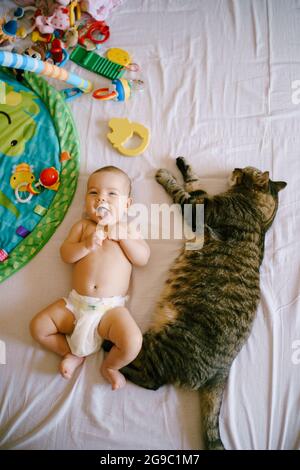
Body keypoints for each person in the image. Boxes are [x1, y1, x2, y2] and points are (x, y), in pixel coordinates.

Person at [30, 166, 150, 390]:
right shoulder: (83, 227)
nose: (101, 198)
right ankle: (71, 352)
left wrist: (124, 239)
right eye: (93, 193)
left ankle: (110, 366)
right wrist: (86, 245)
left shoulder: (128, 229)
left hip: (109, 311)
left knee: (133, 342)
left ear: (127, 204)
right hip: (75, 306)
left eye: (112, 194)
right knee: (38, 327)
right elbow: (65, 254)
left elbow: (143, 258)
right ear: (86, 201)